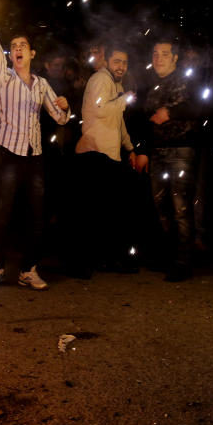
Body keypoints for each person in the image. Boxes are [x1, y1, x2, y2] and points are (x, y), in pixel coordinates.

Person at [0, 10, 71, 290]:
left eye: (22, 46)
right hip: (7, 155)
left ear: (32, 54)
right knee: (2, 213)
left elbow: (59, 117)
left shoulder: (41, 85)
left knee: (36, 216)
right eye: (14, 46)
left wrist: (65, 107)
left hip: (34, 157)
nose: (17, 49)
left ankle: (29, 269)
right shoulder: (4, 78)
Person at [135, 40, 208, 281]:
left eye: (164, 54)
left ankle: (183, 262)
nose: (158, 58)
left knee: (180, 207)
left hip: (182, 152)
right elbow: (144, 119)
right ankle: (169, 255)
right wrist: (143, 150)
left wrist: (171, 113)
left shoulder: (188, 80)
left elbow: (201, 107)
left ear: (175, 58)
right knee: (161, 206)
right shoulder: (151, 85)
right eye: (155, 54)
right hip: (158, 152)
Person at [72, 47, 145, 274]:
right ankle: (80, 263)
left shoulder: (117, 85)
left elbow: (118, 120)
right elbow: (101, 110)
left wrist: (129, 147)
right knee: (91, 212)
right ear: (107, 61)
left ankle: (102, 258)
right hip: (94, 152)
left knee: (106, 210)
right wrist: (124, 99)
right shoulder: (100, 80)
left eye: (124, 62)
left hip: (109, 154)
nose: (121, 66)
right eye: (117, 61)